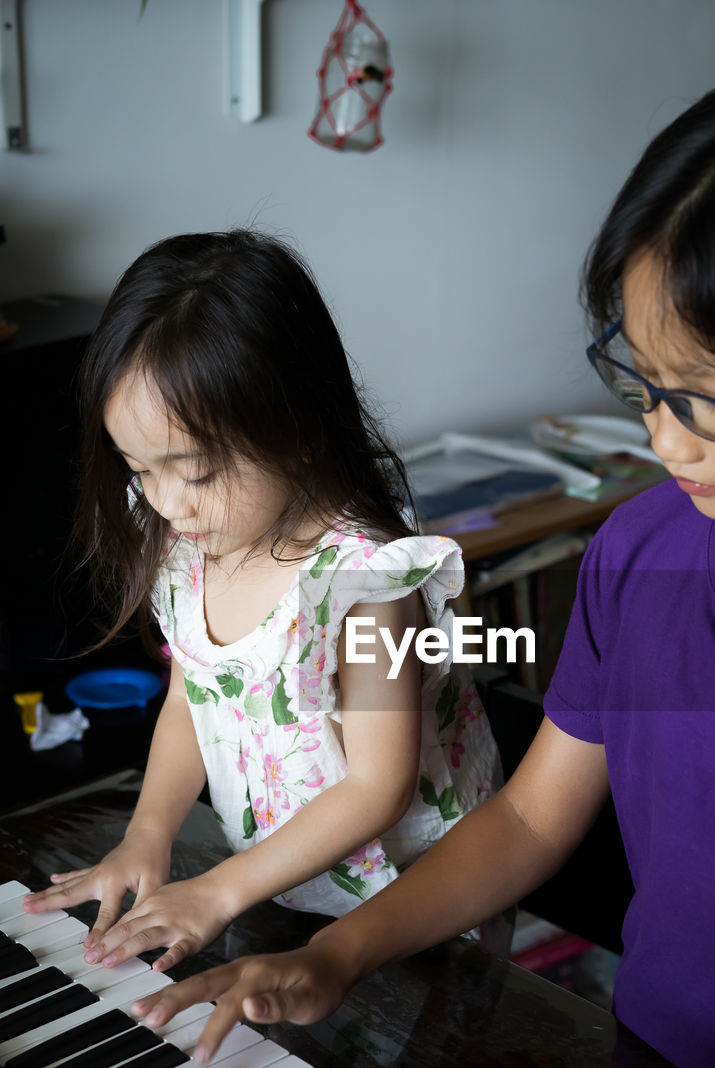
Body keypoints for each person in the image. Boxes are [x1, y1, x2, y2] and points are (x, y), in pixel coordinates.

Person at [96, 66, 715, 1068]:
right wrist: (332, 955)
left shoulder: (366, 579)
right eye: (642, 382)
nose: (665, 436)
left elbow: (390, 755)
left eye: (712, 396)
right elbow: (534, 815)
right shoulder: (642, 548)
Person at [22, 229, 505, 958]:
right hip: (277, 887)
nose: (167, 504)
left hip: (410, 910)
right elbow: (192, 697)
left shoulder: (365, 583)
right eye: (139, 470)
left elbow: (378, 786)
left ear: (299, 427)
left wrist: (217, 891)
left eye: (197, 472)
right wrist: (146, 836)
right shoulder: (183, 545)